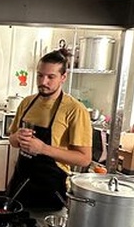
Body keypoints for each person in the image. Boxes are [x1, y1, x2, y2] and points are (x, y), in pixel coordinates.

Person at [8, 49, 93, 210]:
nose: (43, 81)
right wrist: (17, 137)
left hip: (51, 190)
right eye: (40, 75)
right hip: (20, 185)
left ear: (63, 77)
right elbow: (12, 140)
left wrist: (43, 148)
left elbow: (84, 159)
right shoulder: (27, 102)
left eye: (50, 77)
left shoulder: (75, 110)